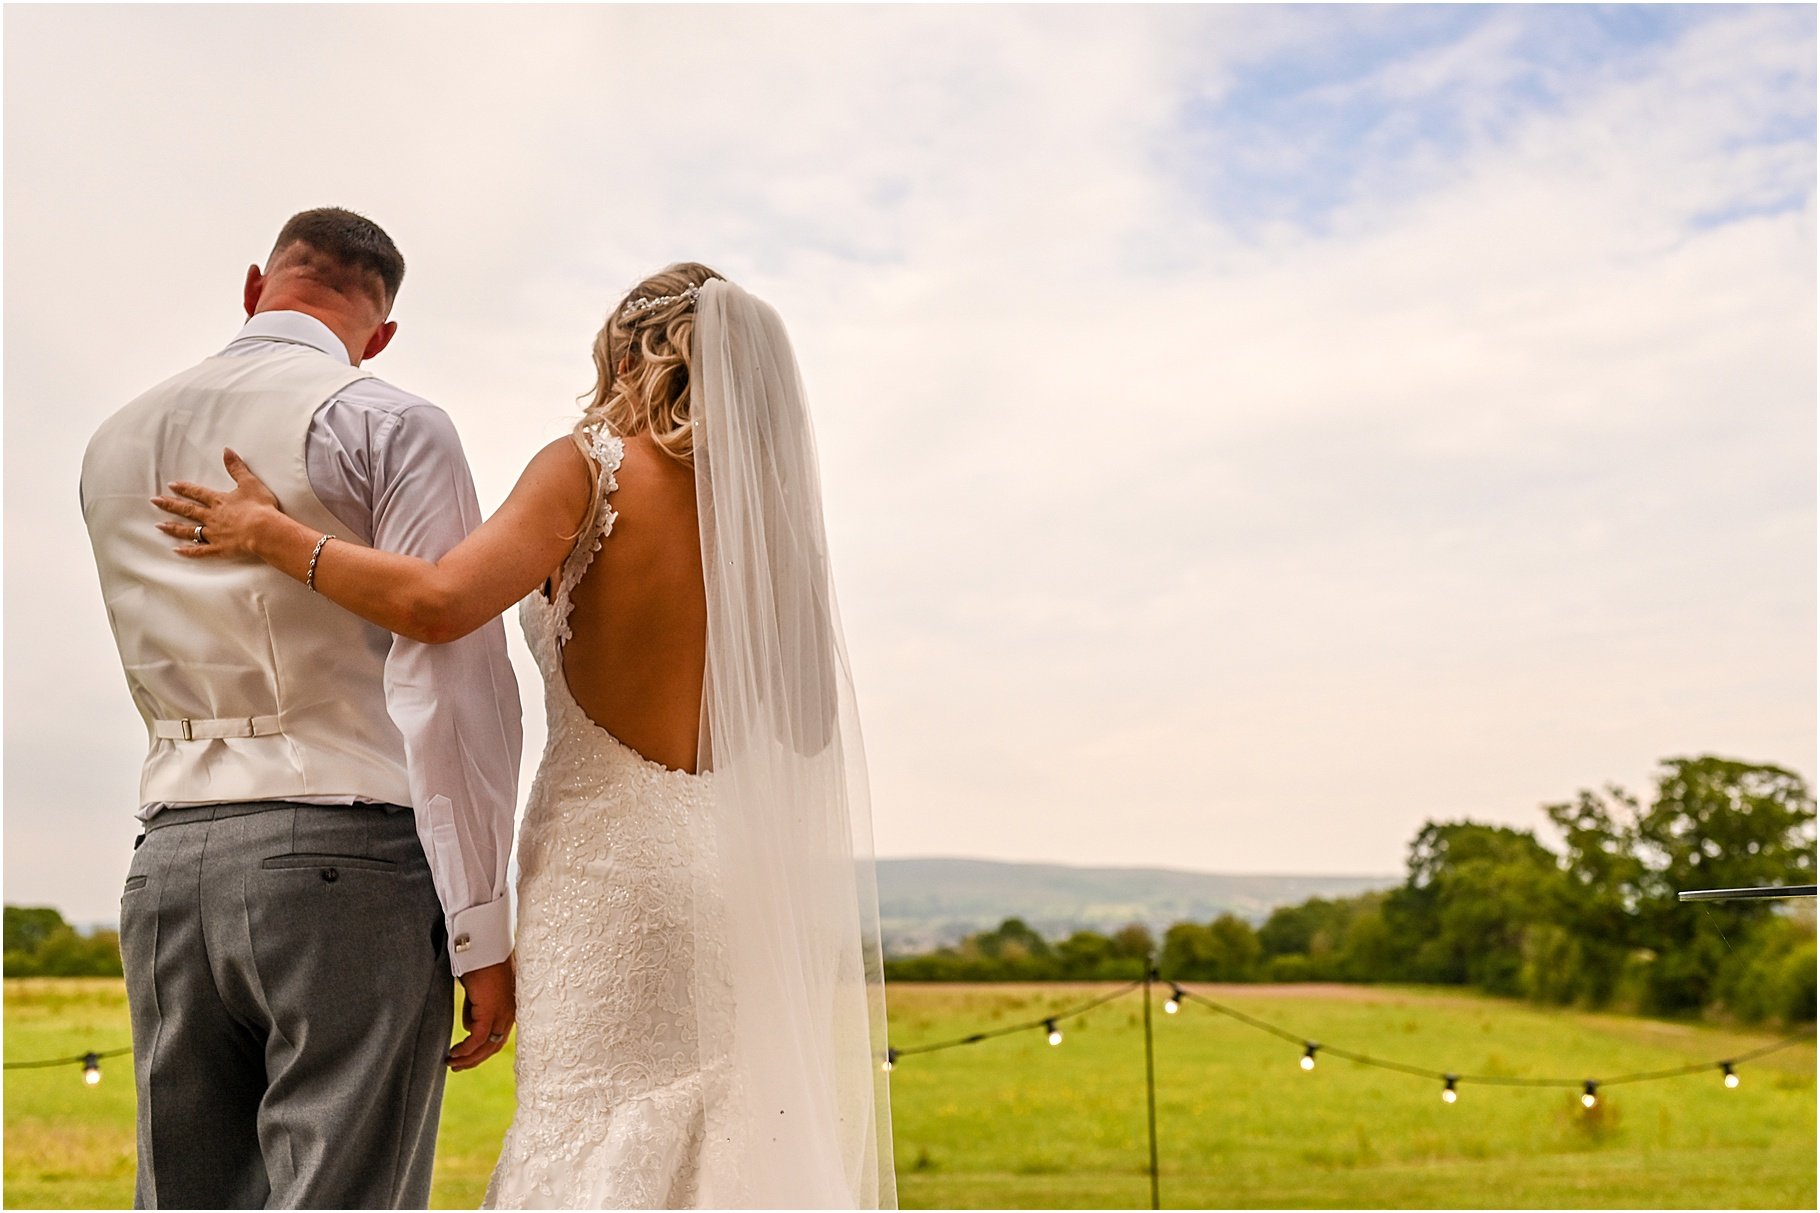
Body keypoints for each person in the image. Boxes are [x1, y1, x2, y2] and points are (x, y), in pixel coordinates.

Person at [152, 263, 898, 1208]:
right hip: (729, 877)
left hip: (611, 878)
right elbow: (807, 727)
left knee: (586, 1131)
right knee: (728, 1135)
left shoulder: (589, 464)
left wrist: (273, 536)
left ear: (628, 350)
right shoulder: (764, 517)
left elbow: (438, 602)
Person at [80, 207, 521, 1209]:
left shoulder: (112, 440)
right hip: (342, 856)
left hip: (166, 860)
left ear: (253, 286)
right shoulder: (385, 419)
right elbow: (452, 676)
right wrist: (479, 925)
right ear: (380, 332)